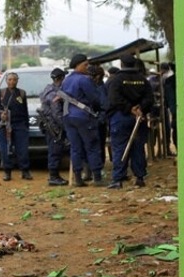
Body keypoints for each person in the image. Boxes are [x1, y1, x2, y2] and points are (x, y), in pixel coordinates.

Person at [106, 54, 155, 189]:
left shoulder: (116, 80)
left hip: (120, 117)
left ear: (121, 64)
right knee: (138, 148)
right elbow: (149, 99)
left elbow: (114, 99)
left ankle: (117, 179)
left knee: (120, 148)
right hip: (139, 118)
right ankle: (140, 178)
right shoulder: (143, 80)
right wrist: (140, 109)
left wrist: (129, 109)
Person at [60, 54, 104, 187]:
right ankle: (97, 177)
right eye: (85, 64)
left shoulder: (66, 80)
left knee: (75, 147)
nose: (87, 67)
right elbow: (95, 98)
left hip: (68, 116)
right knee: (92, 146)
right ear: (78, 65)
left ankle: (78, 178)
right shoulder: (85, 80)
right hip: (84, 117)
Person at [0, 72, 32, 181]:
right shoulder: (1, 93)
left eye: (14, 79)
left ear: (17, 80)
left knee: (22, 149)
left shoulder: (22, 93)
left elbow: (25, 111)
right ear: (6, 81)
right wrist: (0, 115)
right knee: (5, 149)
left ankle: (25, 171)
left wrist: (26, 126)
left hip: (19, 124)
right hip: (4, 126)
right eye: (9, 79)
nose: (12, 82)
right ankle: (7, 172)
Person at [39, 68, 68, 186]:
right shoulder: (53, 94)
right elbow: (57, 114)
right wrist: (66, 127)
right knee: (55, 151)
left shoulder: (49, 89)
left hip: (51, 125)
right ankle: (53, 177)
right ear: (60, 78)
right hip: (54, 127)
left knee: (55, 150)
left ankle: (54, 175)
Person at [161, 62, 177, 155]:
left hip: (175, 111)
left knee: (175, 130)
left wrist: (173, 110)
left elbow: (169, 97)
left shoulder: (168, 80)